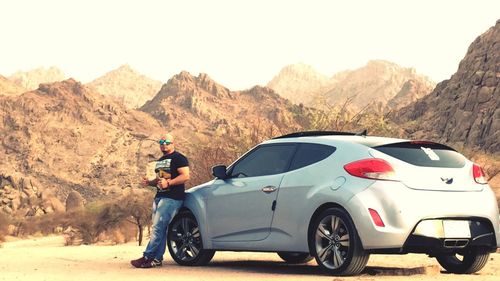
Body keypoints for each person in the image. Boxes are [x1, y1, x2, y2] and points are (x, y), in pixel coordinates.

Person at [131, 132, 190, 268]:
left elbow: (185, 176)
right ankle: (156, 259)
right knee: (160, 228)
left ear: (173, 143)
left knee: (158, 228)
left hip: (172, 198)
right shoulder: (160, 160)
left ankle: (147, 256)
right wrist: (149, 183)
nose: (163, 145)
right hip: (159, 197)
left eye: (166, 143)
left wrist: (169, 183)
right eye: (161, 143)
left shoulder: (179, 158)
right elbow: (159, 181)